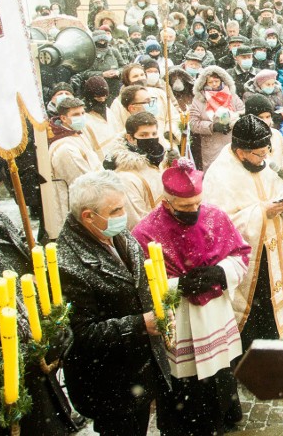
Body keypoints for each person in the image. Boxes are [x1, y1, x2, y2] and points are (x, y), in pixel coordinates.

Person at [132, 159, 250, 435]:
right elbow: (140, 286)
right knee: (185, 380)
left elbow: (240, 253)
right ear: (167, 201)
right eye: (186, 207)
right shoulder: (146, 232)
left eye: (198, 203)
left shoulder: (215, 216)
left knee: (219, 370)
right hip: (180, 316)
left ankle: (225, 414)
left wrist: (219, 274)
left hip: (214, 313)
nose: (194, 211)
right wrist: (179, 285)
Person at [0, 187, 77, 435]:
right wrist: (23, 359)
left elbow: (31, 315)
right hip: (10, 421)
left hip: (44, 406)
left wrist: (51, 335)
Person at [56, 171, 171, 435]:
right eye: (116, 209)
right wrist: (140, 324)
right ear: (88, 216)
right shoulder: (67, 263)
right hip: (109, 381)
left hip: (138, 369)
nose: (124, 214)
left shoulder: (115, 233)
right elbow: (81, 334)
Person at [202, 115, 283, 350]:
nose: (263, 159)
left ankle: (280, 349)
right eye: (258, 154)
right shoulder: (220, 175)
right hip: (248, 259)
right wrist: (261, 212)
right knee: (257, 311)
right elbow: (218, 225)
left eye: (266, 152)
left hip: (273, 249)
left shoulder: (261, 161)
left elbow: (278, 189)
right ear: (240, 151)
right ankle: (255, 360)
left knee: (274, 305)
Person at [47, 97, 102, 237]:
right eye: (76, 115)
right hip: (77, 207)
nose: (82, 117)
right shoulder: (65, 148)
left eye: (83, 113)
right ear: (63, 118)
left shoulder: (77, 134)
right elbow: (82, 181)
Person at [104, 112, 166, 229]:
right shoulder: (126, 177)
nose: (150, 139)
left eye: (154, 134)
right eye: (143, 135)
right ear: (130, 138)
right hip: (152, 235)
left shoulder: (156, 160)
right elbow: (136, 221)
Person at [189, 65, 245, 171]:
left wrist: (233, 121)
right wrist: (213, 127)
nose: (214, 84)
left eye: (216, 81)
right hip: (211, 145)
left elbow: (242, 112)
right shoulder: (199, 99)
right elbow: (193, 123)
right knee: (214, 174)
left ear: (222, 80)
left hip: (232, 141)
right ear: (204, 83)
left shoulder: (231, 96)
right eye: (210, 82)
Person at [80, 76, 115, 161]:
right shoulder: (84, 118)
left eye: (105, 97)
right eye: (98, 98)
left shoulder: (108, 111)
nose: (102, 100)